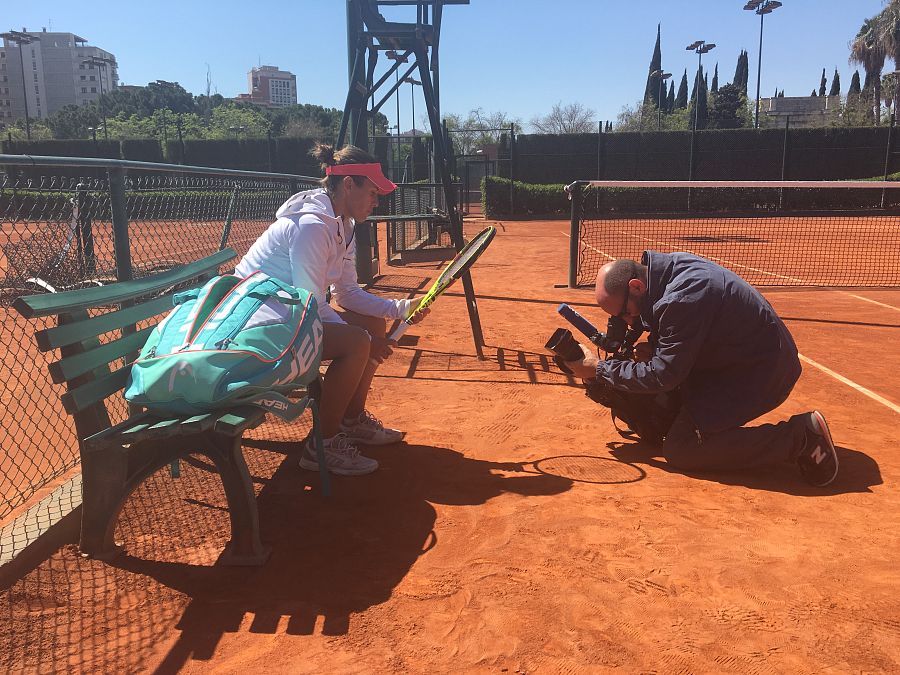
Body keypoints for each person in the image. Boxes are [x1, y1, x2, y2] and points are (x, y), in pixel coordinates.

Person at [563, 251, 839, 487]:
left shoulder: (682, 298)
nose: (627, 321)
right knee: (665, 412)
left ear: (636, 286)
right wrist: (655, 347)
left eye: (624, 314)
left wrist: (599, 368)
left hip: (759, 374)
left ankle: (801, 438)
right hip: (739, 359)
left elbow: (664, 374)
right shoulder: (668, 272)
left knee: (682, 447)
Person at [236, 144, 428, 476]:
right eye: (372, 191)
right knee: (359, 341)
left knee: (372, 324)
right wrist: (365, 338)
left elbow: (348, 292)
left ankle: (350, 421)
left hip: (285, 314)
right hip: (257, 326)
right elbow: (311, 304)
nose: (377, 200)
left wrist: (400, 308)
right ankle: (320, 447)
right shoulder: (312, 226)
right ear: (348, 185)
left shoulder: (343, 225)